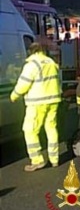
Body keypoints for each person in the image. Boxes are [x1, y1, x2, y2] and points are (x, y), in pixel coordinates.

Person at [10, 42, 62, 172]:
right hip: (54, 100)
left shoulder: (32, 65)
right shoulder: (51, 63)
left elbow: (23, 84)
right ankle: (54, 159)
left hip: (37, 102)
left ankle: (37, 160)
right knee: (51, 128)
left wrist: (14, 96)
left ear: (31, 52)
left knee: (30, 130)